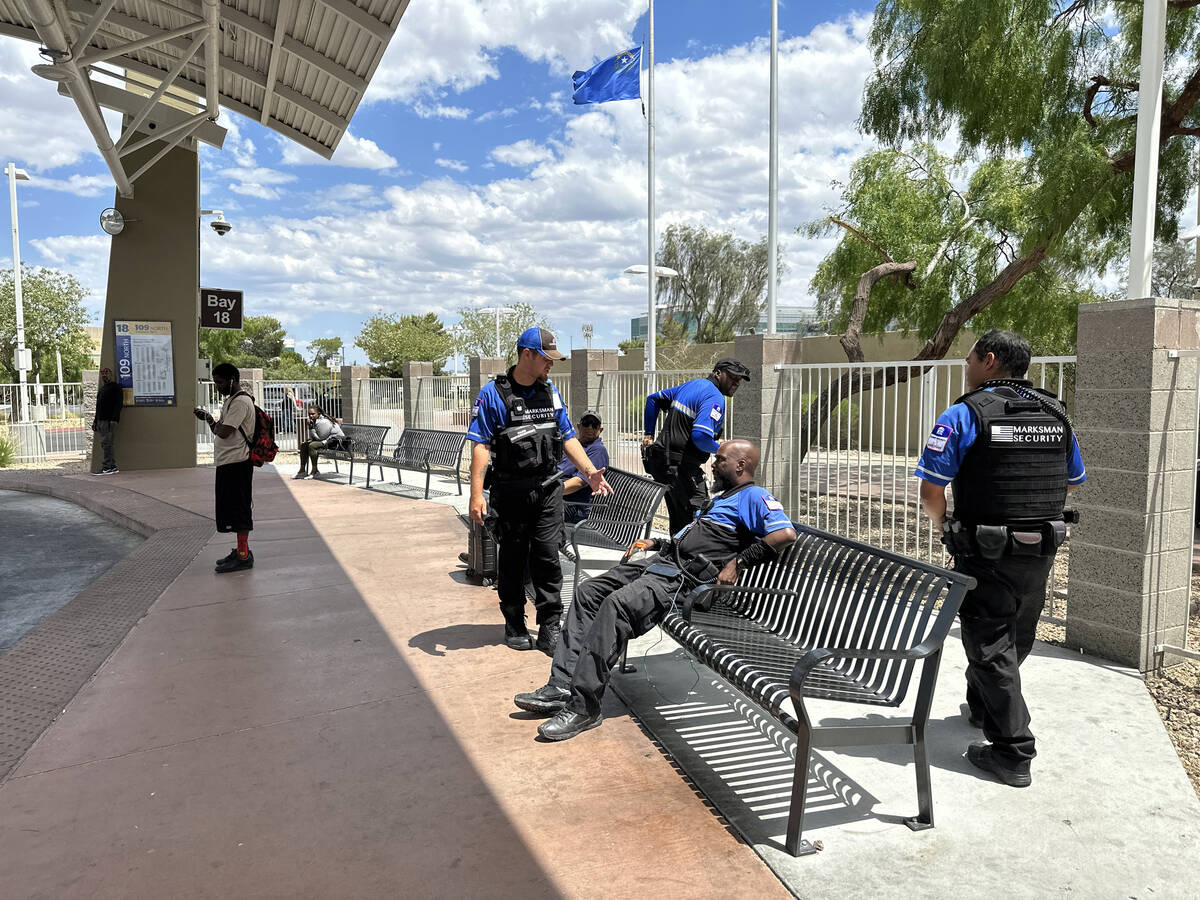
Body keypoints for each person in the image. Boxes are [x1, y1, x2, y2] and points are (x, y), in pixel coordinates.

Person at [515, 439, 797, 742]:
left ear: (741, 465)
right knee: (590, 591)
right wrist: (657, 543)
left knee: (616, 606)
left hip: (681, 580)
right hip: (661, 562)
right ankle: (561, 684)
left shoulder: (754, 496)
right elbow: (689, 539)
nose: (713, 463)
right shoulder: (723, 498)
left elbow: (786, 533)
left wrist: (738, 562)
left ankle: (585, 706)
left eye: (720, 459)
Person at [915, 329, 1086, 788]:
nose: (966, 365)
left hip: (983, 548)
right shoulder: (1056, 414)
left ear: (989, 360)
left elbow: (932, 490)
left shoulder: (963, 414)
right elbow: (1072, 480)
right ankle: (983, 706)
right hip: (1040, 547)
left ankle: (1013, 751)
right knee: (1015, 634)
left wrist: (943, 525)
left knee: (989, 643)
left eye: (969, 357)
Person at [468, 327, 612, 654]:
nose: (551, 364)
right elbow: (480, 445)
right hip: (511, 492)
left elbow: (568, 437)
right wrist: (476, 494)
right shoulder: (493, 394)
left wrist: (590, 472)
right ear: (527, 355)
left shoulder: (551, 393)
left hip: (548, 490)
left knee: (547, 558)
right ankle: (515, 621)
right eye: (547, 357)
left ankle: (549, 625)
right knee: (514, 559)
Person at [641, 358, 752, 534]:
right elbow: (700, 436)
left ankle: (676, 558)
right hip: (680, 468)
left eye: (739, 380)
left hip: (663, 464)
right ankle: (686, 559)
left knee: (679, 520)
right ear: (718, 373)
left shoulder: (693, 385)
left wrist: (648, 434)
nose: (736, 383)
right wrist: (722, 450)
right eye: (732, 377)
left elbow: (653, 400)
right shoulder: (715, 397)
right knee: (698, 520)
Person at [193, 363, 258, 573]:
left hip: (238, 463)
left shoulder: (241, 402)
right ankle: (242, 551)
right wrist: (210, 420)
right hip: (227, 462)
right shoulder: (231, 400)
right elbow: (219, 428)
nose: (218, 386)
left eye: (220, 382)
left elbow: (224, 432)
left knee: (239, 510)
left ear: (232, 379)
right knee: (230, 510)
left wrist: (218, 425)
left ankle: (243, 556)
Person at [560, 410, 610, 524]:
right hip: (562, 500)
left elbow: (579, 482)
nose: (590, 428)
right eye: (586, 423)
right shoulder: (574, 447)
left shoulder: (598, 450)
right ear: (578, 426)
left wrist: (551, 492)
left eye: (595, 425)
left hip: (574, 506)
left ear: (600, 430)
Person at [294, 403, 345, 479]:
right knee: (304, 445)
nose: (311, 416)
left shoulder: (323, 422)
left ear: (319, 413)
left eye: (313, 414)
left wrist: (311, 428)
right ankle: (302, 470)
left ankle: (315, 471)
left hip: (336, 442)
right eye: (309, 414)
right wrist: (311, 430)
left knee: (312, 445)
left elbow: (320, 438)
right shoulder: (315, 420)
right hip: (327, 441)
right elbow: (314, 437)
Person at [91, 366, 123, 475]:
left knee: (107, 444)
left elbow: (119, 404)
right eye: (103, 374)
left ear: (111, 375)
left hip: (109, 421)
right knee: (106, 444)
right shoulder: (102, 389)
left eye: (107, 373)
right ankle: (112, 466)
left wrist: (115, 419)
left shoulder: (116, 387)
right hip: (101, 421)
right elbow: (98, 406)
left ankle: (106, 467)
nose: (105, 376)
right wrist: (95, 421)